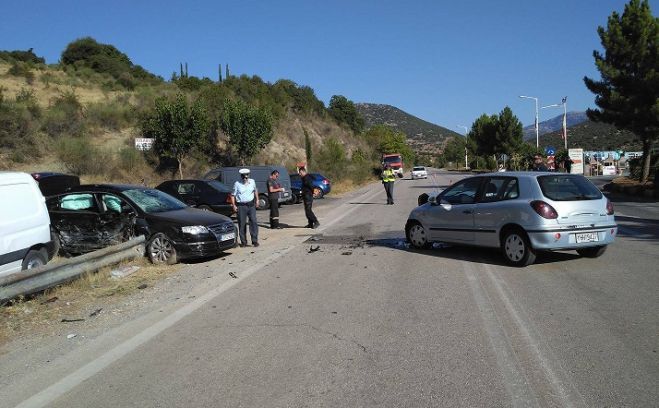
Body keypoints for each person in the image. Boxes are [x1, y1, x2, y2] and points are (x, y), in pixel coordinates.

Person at [230, 168, 259, 247]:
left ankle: (254, 241)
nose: (245, 179)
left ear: (248, 176)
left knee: (253, 222)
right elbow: (232, 195)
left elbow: (255, 190)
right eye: (244, 177)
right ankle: (243, 242)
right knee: (242, 224)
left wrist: (257, 200)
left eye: (246, 177)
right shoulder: (237, 184)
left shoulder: (252, 181)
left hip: (251, 205)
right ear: (241, 176)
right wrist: (234, 205)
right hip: (241, 206)